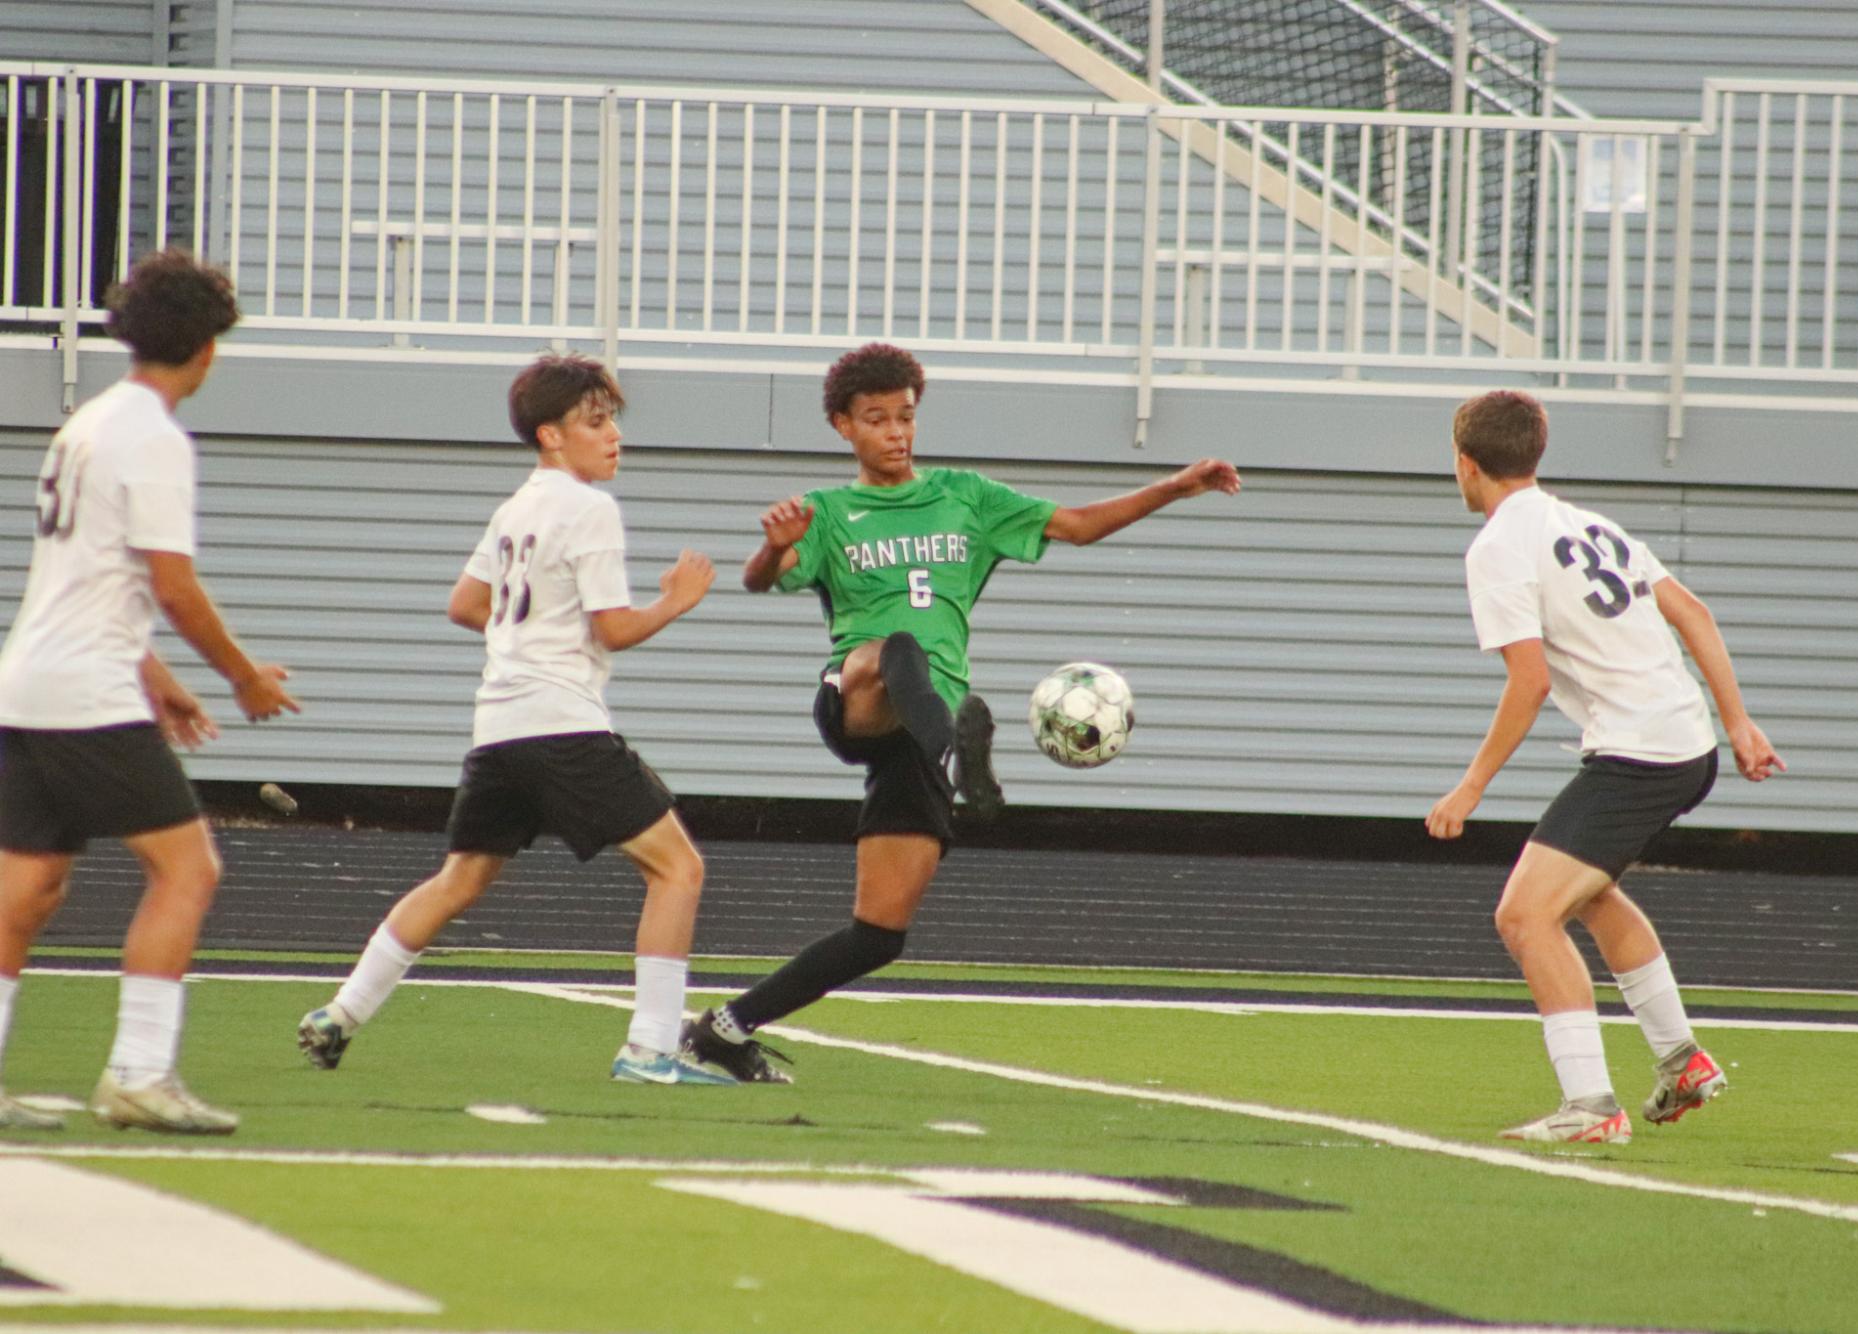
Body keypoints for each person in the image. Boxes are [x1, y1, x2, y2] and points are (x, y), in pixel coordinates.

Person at [680, 341, 1240, 1082]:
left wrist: (1175, 486)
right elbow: (762, 581)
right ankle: (957, 748)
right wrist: (770, 548)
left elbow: (1074, 524)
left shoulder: (965, 496)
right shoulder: (828, 512)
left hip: (921, 729)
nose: (895, 432)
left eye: (905, 416)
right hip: (857, 700)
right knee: (891, 648)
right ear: (842, 425)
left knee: (878, 934)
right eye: (876, 419)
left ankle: (722, 1030)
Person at [297, 353, 732, 1087]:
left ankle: (342, 1012)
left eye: (614, 419)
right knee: (678, 868)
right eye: (595, 421)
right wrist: (677, 599)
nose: (613, 435)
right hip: (563, 722)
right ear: (550, 435)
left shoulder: (514, 508)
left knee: (460, 878)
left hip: (498, 726)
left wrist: (521, 641)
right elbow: (615, 627)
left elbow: (465, 604)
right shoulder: (590, 508)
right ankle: (651, 1047)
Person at [1426, 390, 1785, 1144]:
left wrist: (1470, 785)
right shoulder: (1586, 522)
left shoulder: (1495, 547)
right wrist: (1737, 723)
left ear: (1464, 463)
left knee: (1523, 916)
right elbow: (1693, 613)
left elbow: (1525, 682)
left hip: (1640, 751)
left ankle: (1590, 1107)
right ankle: (1680, 1060)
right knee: (1588, 895)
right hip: (1680, 743)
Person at [0, 250, 300, 1135]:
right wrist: (241, 677)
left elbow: (92, 580)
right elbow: (171, 585)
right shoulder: (155, 438)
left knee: (26, 888)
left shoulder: (88, 422)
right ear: (206, 347)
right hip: (89, 695)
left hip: (29, 685)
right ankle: (138, 1072)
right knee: (187, 868)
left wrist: (161, 680)